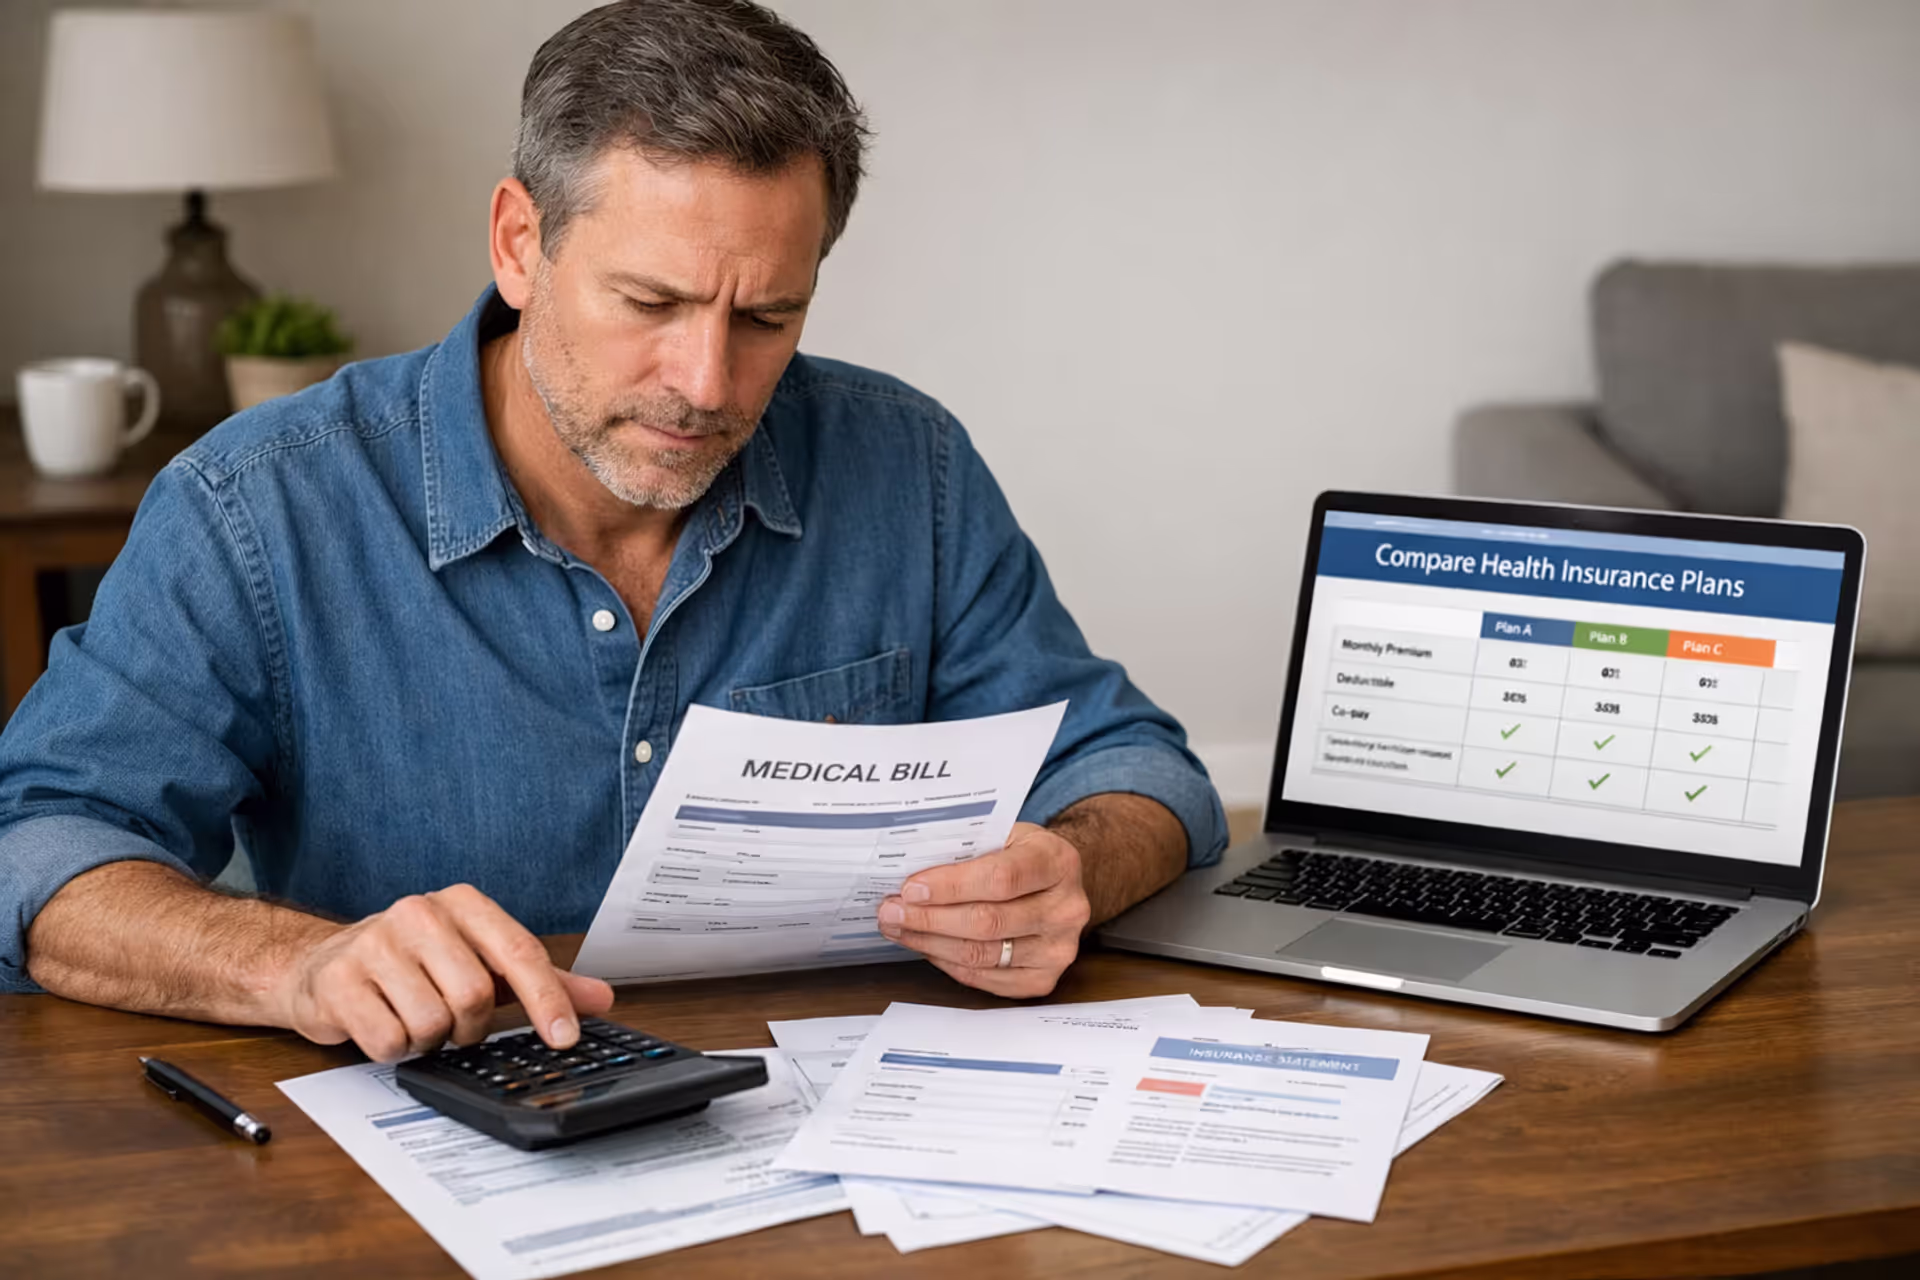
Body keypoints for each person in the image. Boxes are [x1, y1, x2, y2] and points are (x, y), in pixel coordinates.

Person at [0, 0, 1224, 1062]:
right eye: (651, 301)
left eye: (768, 316)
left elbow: (1141, 767)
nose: (704, 381)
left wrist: (1071, 867)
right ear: (520, 243)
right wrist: (298, 965)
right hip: (420, 1163)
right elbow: (41, 847)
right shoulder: (258, 508)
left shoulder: (909, 466)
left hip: (833, 1147)